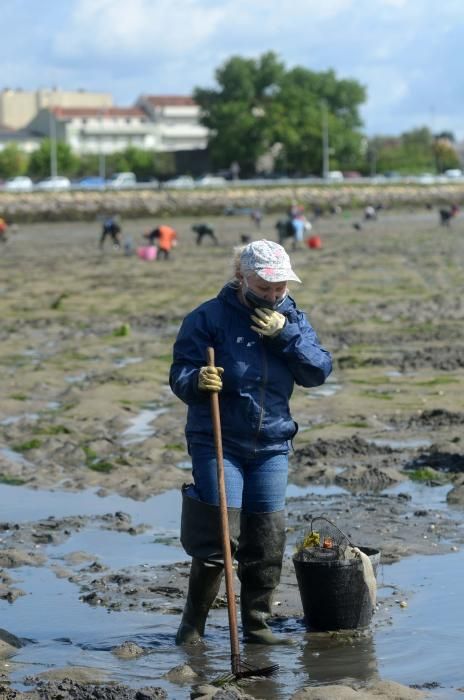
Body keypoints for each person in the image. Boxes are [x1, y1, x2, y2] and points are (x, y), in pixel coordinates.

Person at [169, 239, 332, 646]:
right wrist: (196, 381)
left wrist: (286, 335)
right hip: (218, 441)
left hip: (273, 444)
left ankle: (257, 626)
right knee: (219, 538)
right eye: (264, 288)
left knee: (267, 539)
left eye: (281, 288)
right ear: (242, 277)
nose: (274, 296)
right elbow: (180, 373)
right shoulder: (207, 317)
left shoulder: (292, 317)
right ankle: (192, 628)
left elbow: (318, 372)